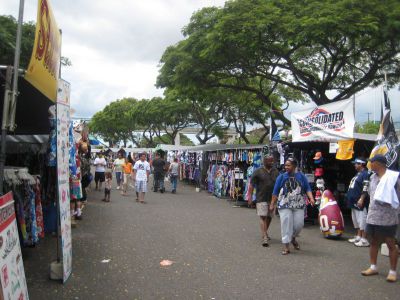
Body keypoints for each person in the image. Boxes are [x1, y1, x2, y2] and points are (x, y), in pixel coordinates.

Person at [361, 155, 400, 283]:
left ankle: (393, 272)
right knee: (373, 241)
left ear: (378, 163)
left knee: (390, 243)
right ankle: (373, 267)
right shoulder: (372, 177)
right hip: (373, 216)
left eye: (371, 162)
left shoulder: (393, 179)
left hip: (388, 217)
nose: (370, 164)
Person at [270, 158, 315, 255]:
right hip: (284, 204)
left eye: (288, 165)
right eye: (285, 165)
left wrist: (311, 198)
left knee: (299, 225)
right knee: (286, 224)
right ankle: (286, 246)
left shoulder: (301, 176)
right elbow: (275, 191)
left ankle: (293, 238)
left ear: (294, 166)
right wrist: (272, 204)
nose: (286, 167)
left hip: (298, 204)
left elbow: (307, 188)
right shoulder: (281, 177)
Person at [248, 156, 279, 247]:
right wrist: (249, 197)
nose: (272, 163)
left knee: (269, 216)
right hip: (261, 198)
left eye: (272, 161)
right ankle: (265, 236)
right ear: (264, 162)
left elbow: (279, 184)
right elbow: (251, 185)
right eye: (269, 161)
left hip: (272, 198)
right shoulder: (258, 171)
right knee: (263, 217)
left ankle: (264, 232)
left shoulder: (276, 172)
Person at [346, 158, 370, 247]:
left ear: (361, 164)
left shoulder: (365, 174)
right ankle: (359, 236)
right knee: (356, 219)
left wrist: (362, 198)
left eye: (356, 164)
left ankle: (364, 239)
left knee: (362, 219)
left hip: (359, 200)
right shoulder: (358, 174)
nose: (355, 165)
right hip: (353, 200)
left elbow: (365, 187)